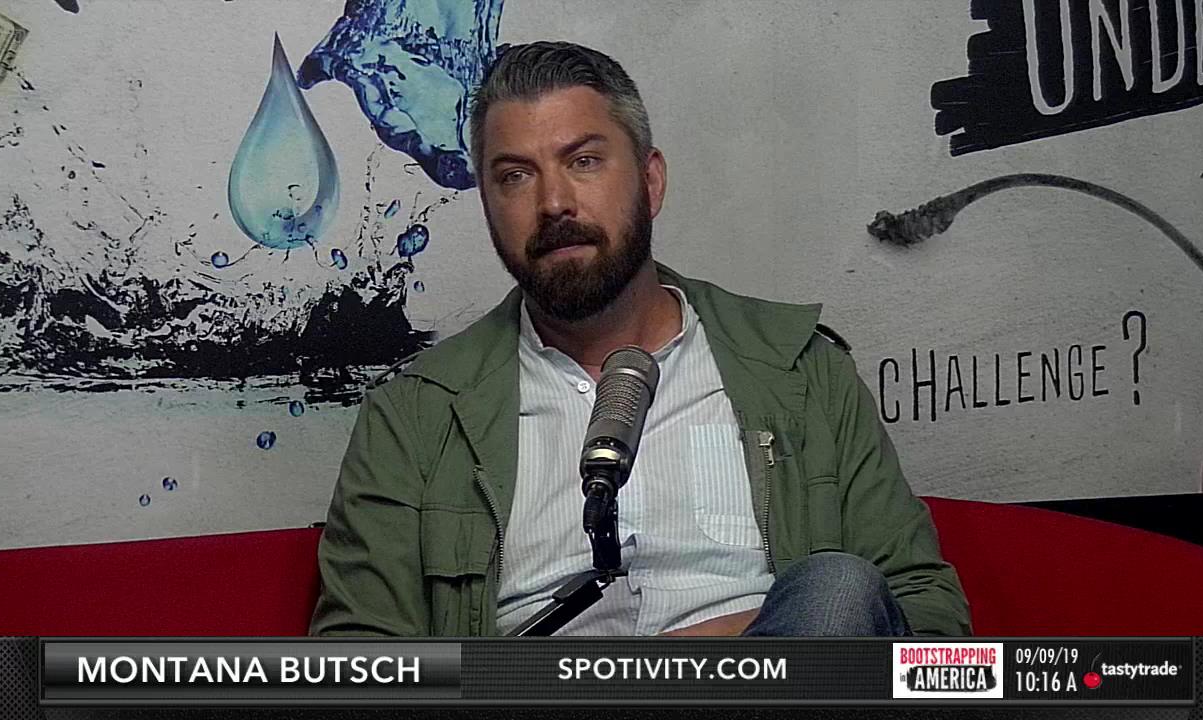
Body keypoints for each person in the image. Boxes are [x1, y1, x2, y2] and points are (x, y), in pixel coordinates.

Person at [311, 41, 970, 638]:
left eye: (584, 161)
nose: (553, 202)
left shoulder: (803, 370)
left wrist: (713, 654)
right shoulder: (414, 418)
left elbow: (926, 613)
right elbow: (359, 666)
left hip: (775, 682)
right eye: (515, 175)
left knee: (837, 591)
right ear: (486, 204)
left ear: (650, 182)